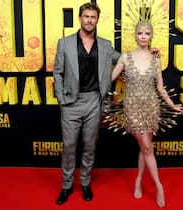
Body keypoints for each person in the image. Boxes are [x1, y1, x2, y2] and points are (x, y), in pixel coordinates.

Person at [110, 21, 183, 208]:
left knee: (146, 148)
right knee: (146, 147)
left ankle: (138, 179)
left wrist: (172, 105)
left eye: (146, 33)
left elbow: (160, 87)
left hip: (152, 107)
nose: (143, 36)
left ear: (151, 36)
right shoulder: (125, 58)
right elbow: (109, 79)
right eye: (140, 33)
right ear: (135, 35)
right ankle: (159, 186)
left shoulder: (156, 60)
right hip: (133, 107)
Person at [53, 2, 121, 205]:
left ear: (97, 20)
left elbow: (125, 59)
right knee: (69, 146)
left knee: (90, 146)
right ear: (80, 18)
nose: (89, 20)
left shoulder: (106, 45)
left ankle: (85, 183)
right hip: (71, 102)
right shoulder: (64, 43)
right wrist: (61, 98)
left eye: (93, 17)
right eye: (86, 16)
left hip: (94, 100)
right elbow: (57, 72)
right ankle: (66, 186)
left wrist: (146, 52)